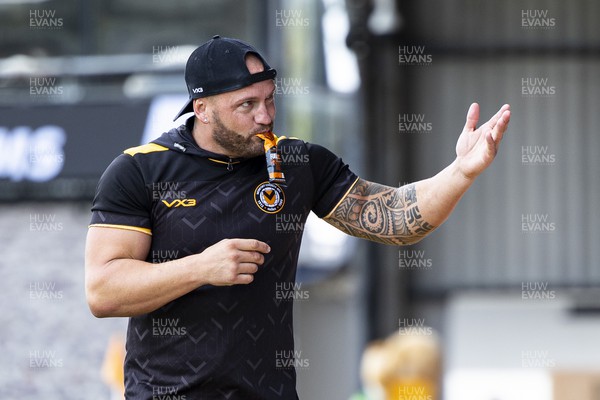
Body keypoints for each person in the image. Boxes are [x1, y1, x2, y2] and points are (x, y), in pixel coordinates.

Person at [85, 35, 511, 399]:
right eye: (246, 105)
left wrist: (461, 172)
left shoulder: (297, 162)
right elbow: (103, 292)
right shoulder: (140, 170)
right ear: (202, 109)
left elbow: (395, 219)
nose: (265, 116)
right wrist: (200, 268)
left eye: (270, 99)